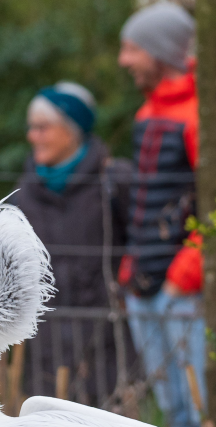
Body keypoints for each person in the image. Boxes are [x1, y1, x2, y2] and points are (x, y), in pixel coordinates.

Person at [116, 1, 216, 427]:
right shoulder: (146, 113)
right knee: (169, 415)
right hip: (143, 285)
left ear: (160, 53)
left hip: (184, 290)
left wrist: (186, 273)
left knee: (200, 413)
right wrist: (130, 268)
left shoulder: (208, 117)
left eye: (132, 49)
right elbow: (146, 201)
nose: (124, 61)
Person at [10, 82, 132, 406]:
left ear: (71, 131)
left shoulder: (113, 182)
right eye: (32, 127)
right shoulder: (23, 194)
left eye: (43, 128)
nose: (32, 136)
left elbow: (142, 246)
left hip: (104, 341)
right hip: (43, 346)